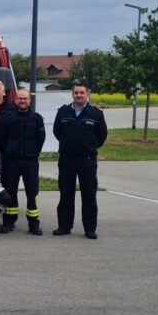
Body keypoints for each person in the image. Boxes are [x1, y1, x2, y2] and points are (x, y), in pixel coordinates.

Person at [53, 83, 107, 240]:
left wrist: (89, 147)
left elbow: (101, 136)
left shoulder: (96, 114)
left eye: (82, 93)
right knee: (66, 193)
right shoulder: (63, 112)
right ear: (72, 94)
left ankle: (90, 228)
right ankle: (64, 226)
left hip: (87, 160)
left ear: (87, 94)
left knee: (89, 194)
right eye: (76, 92)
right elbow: (57, 132)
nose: (79, 95)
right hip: (67, 159)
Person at [0, 89, 46, 235]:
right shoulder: (9, 118)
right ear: (15, 100)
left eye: (25, 99)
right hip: (12, 161)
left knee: (31, 193)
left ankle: (33, 224)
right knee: (10, 191)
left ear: (29, 100)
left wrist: (33, 152)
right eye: (20, 99)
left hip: (30, 161)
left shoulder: (37, 118)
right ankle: (9, 221)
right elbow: (3, 138)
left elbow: (41, 139)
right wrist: (8, 152)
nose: (22, 101)